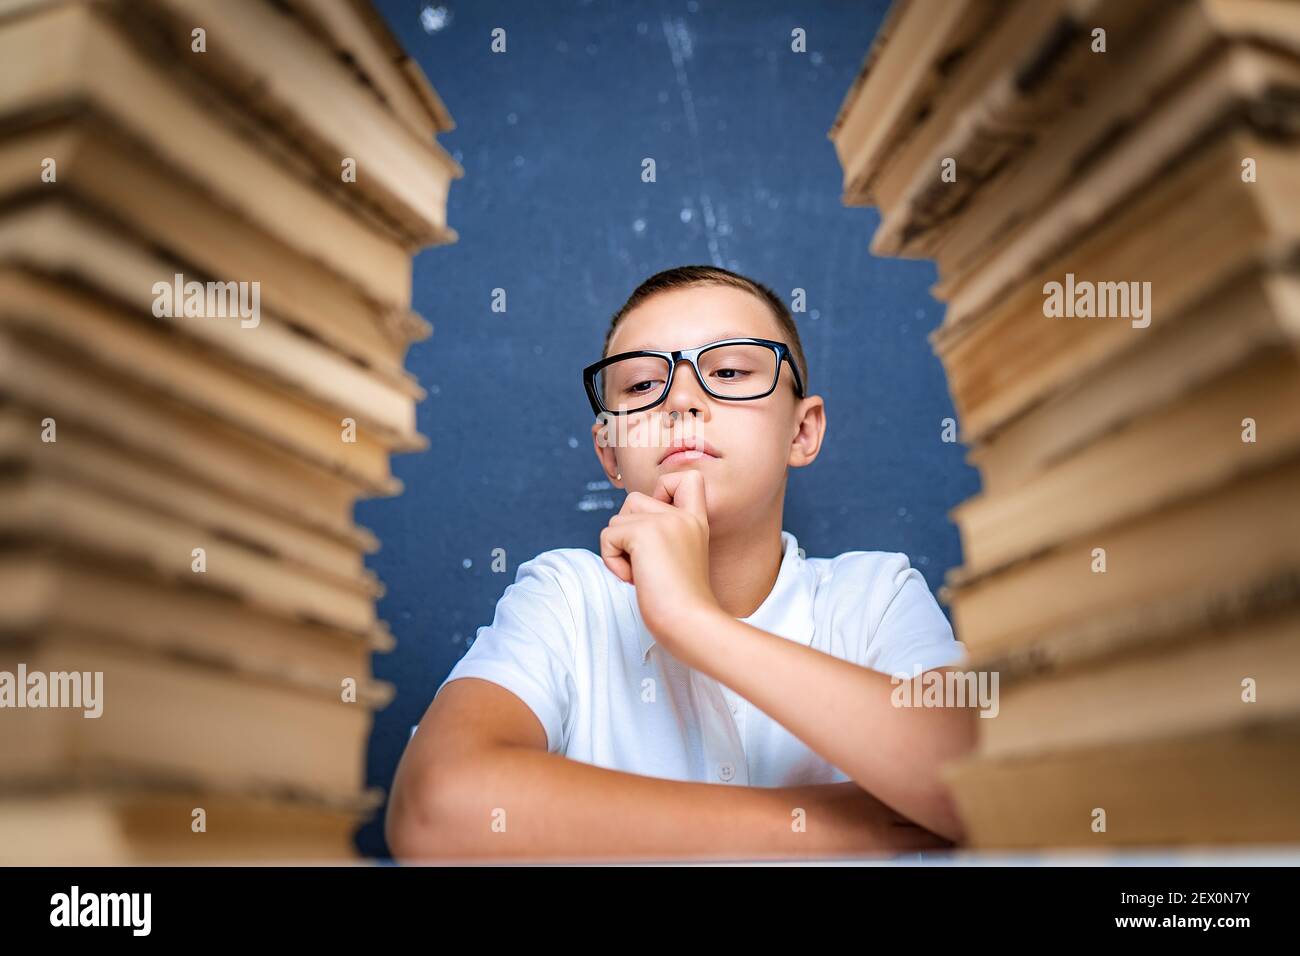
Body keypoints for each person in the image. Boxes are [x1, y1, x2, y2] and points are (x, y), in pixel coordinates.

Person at [387, 265, 976, 862]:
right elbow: (437, 809)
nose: (682, 401)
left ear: (802, 432)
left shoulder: (875, 595)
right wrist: (860, 827)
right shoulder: (566, 599)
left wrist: (692, 620)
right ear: (610, 452)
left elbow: (981, 780)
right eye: (642, 387)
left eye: (730, 371)